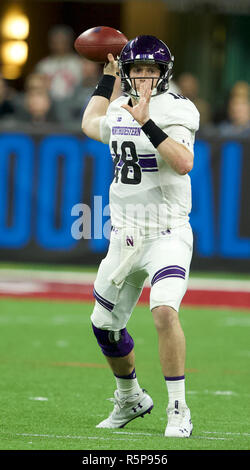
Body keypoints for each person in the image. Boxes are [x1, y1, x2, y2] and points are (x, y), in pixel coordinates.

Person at [82, 35, 199, 438]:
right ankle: (131, 396)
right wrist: (107, 78)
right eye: (136, 70)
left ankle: (178, 409)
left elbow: (184, 164)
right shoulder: (118, 107)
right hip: (125, 235)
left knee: (164, 310)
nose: (144, 77)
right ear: (129, 73)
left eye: (151, 70)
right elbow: (88, 123)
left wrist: (146, 121)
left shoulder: (177, 108)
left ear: (163, 73)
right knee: (104, 326)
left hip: (167, 230)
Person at [35, 25, 82, 101]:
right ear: (50, 43)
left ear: (69, 42)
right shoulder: (43, 65)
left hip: (75, 105)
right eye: (56, 42)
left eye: (62, 41)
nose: (59, 45)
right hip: (49, 105)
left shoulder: (79, 63)